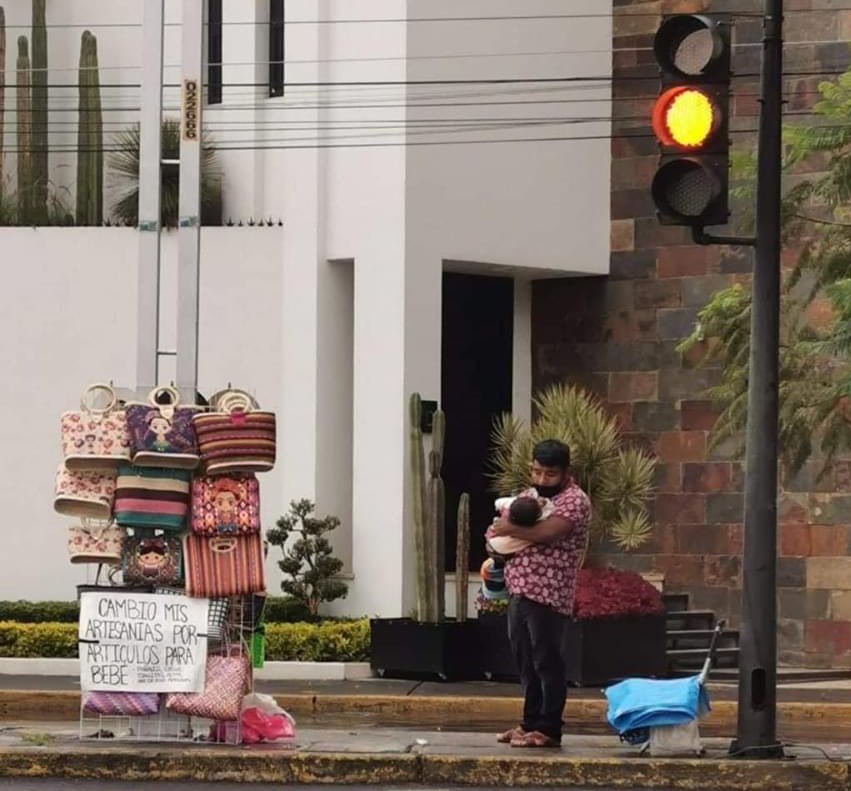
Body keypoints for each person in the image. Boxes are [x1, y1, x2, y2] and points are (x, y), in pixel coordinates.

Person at [489, 438, 591, 749]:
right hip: (518, 589)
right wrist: (499, 538)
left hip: (548, 593)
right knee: (525, 662)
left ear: (565, 472)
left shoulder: (575, 500)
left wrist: (509, 530)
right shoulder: (528, 496)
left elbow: (547, 533)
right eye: (536, 472)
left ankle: (549, 728)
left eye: (549, 474)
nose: (541, 480)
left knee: (547, 661)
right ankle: (528, 722)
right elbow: (493, 531)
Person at [486, 491, 553, 559]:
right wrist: (545, 502)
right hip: (502, 548)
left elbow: (497, 502)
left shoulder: (508, 504)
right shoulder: (533, 526)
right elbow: (549, 511)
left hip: (492, 539)